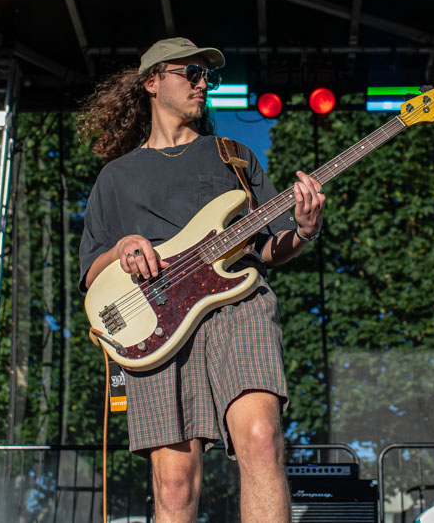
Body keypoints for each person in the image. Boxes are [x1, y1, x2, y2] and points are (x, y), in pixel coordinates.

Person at [78, 36, 324, 523]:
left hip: (238, 306)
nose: (201, 82)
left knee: (262, 441)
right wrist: (122, 249)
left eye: (205, 75)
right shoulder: (116, 176)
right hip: (154, 320)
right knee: (174, 485)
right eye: (189, 73)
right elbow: (90, 270)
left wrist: (304, 230)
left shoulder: (233, 155)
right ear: (152, 82)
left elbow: (271, 248)